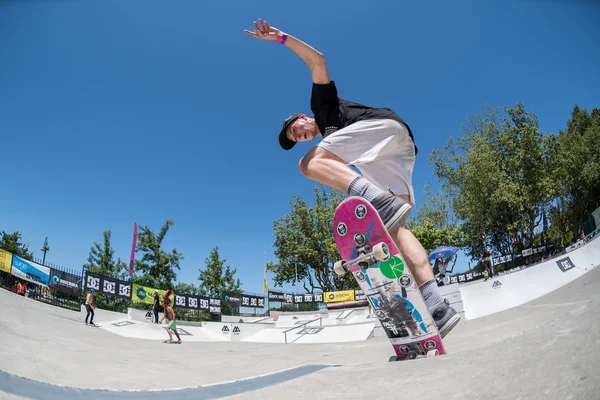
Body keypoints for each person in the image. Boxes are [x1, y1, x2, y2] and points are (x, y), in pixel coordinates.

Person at [244, 18, 461, 337]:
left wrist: (281, 39)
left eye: (297, 129)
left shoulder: (322, 108)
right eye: (296, 137)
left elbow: (317, 60)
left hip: (383, 129)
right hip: (395, 152)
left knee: (309, 164)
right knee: (397, 229)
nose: (301, 134)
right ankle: (437, 304)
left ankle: (376, 200)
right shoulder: (336, 148)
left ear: (303, 118)